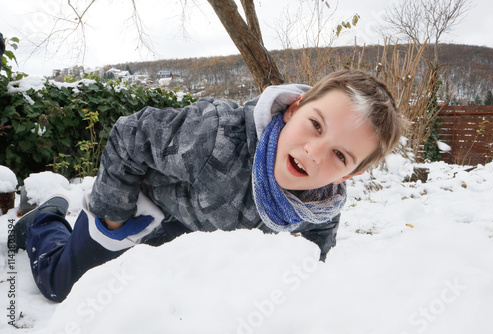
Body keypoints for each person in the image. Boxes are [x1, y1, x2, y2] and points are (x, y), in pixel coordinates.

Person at [14, 70, 404, 302]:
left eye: (340, 155)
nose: (315, 152)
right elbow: (130, 135)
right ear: (294, 108)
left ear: (349, 175)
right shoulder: (216, 133)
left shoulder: (318, 210)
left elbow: (309, 264)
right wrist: (114, 220)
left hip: (191, 250)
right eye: (315, 125)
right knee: (63, 287)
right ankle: (44, 219)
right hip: (141, 212)